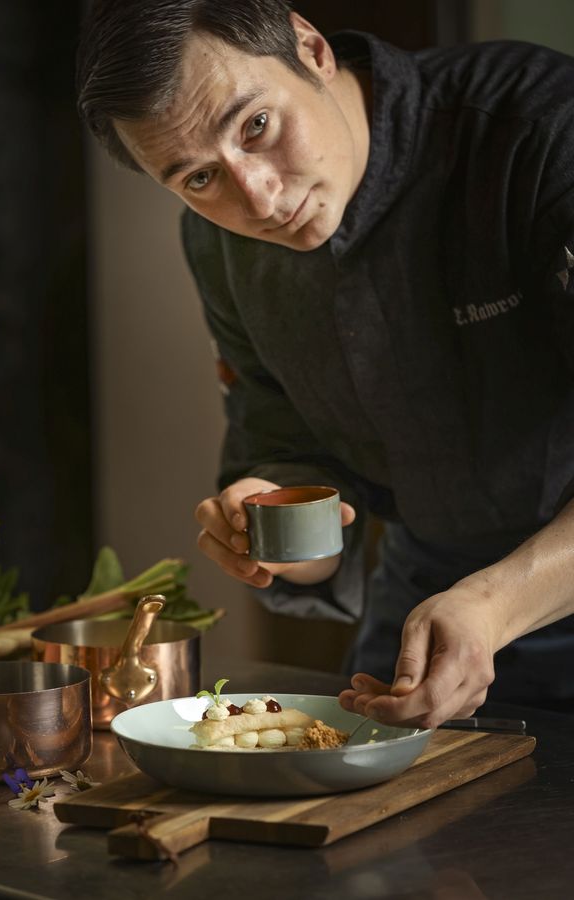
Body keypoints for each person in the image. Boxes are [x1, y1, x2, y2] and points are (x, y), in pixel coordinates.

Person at [77, 0, 574, 726]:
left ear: (309, 47)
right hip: (425, 616)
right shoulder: (216, 244)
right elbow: (291, 454)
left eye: (256, 126)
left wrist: (495, 606)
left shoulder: (540, 130)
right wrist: (268, 524)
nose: (260, 197)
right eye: (197, 179)